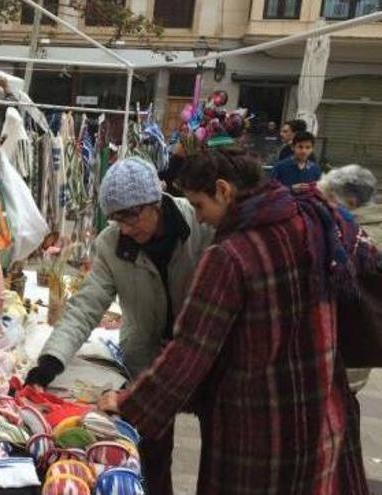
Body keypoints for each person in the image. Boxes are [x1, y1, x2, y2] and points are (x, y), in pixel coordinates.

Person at [101, 148, 375, 494]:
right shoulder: (307, 219)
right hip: (320, 411)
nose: (199, 219)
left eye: (199, 205)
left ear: (223, 190)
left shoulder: (230, 256)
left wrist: (129, 404)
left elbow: (189, 351)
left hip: (257, 432)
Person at [25, 156, 214, 495]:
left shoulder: (199, 223)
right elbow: (85, 306)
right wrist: (50, 361)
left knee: (218, 449)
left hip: (201, 356)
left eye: (131, 215)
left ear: (154, 202)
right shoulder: (111, 245)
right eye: (116, 218)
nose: (125, 227)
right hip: (146, 360)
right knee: (153, 452)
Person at [319, 164, 381, 392]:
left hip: (346, 344)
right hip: (366, 343)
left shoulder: (352, 235)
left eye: (330, 199)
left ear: (351, 201)